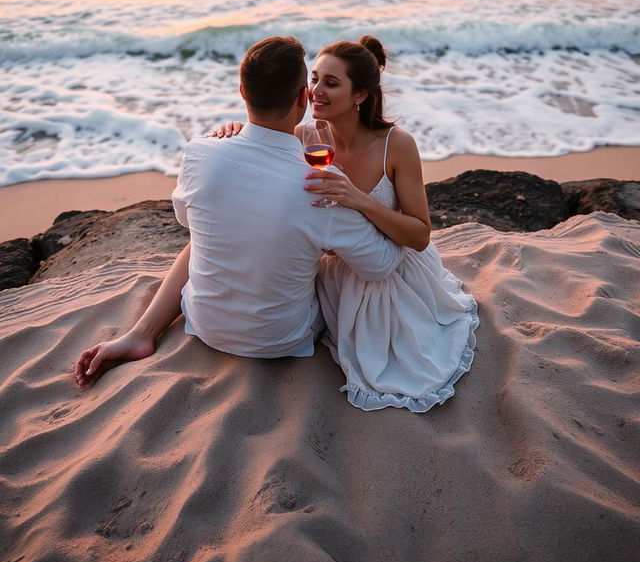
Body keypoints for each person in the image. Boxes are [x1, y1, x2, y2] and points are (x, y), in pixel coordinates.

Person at [74, 36, 403, 387]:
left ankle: (142, 333)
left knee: (205, 237)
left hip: (203, 324)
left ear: (243, 91)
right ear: (302, 100)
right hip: (281, 339)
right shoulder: (322, 183)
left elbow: (188, 221)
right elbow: (380, 264)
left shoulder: (201, 151)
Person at [214, 35, 479, 413]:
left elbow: (419, 235)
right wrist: (234, 131)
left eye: (331, 83)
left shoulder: (396, 145)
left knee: (406, 366)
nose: (316, 92)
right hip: (325, 271)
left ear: (361, 95)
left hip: (388, 272)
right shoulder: (302, 136)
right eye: (315, 80)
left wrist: (359, 199)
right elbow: (260, 144)